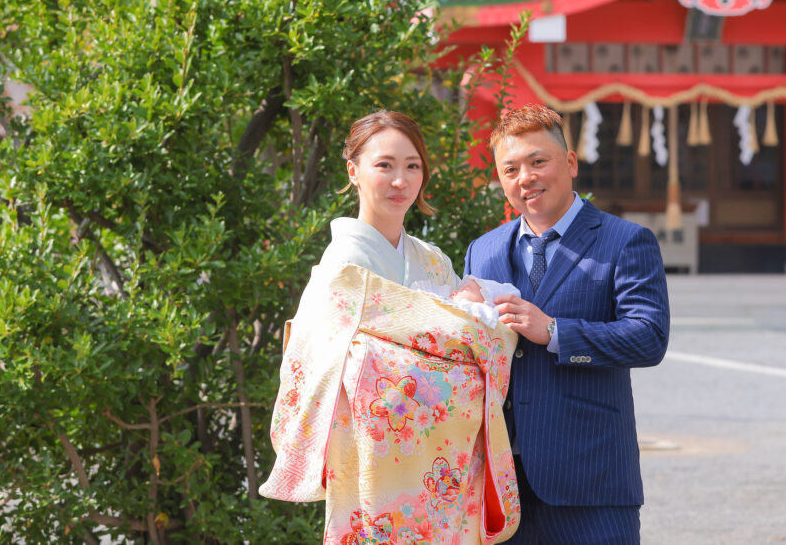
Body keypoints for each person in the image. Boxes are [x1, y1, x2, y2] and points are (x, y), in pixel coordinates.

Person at [260, 110, 520, 544]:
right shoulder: (340, 270)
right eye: (384, 165)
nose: (400, 180)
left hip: (445, 476)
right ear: (354, 171)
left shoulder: (432, 260)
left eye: (412, 166)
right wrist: (455, 342)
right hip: (370, 471)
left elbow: (489, 335)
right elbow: (321, 370)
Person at [464, 104, 669, 544]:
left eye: (539, 161)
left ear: (570, 163)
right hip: (499, 485)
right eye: (511, 168)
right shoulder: (481, 251)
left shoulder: (625, 241)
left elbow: (649, 337)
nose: (526, 178)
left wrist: (556, 332)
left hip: (590, 481)